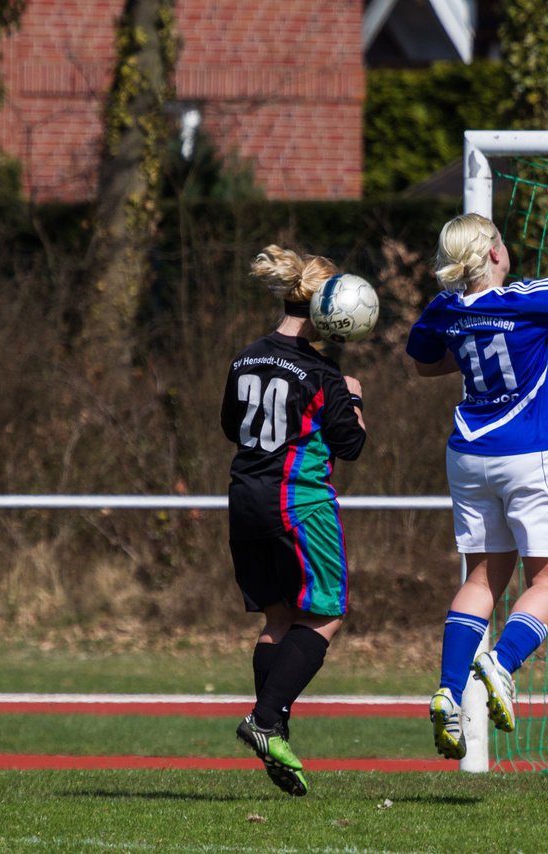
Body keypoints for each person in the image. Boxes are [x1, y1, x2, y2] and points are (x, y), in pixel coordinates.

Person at [406, 179, 548, 760]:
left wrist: (473, 347)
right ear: (496, 253)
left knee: (482, 578)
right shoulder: (524, 298)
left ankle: (449, 693)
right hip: (531, 453)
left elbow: (424, 362)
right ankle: (500, 666)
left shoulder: (444, 308)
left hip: (469, 455)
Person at [219, 245, 368, 796]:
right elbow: (350, 446)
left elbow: (231, 427)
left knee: (278, 620)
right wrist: (352, 399)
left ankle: (273, 731)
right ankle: (266, 719)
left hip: (243, 500)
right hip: (297, 504)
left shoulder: (244, 357)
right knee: (327, 612)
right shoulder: (323, 372)